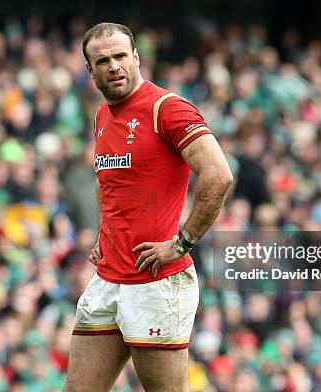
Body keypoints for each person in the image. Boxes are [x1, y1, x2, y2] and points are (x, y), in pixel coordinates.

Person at [64, 22, 233, 392]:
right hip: (109, 278)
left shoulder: (166, 108)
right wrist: (102, 234)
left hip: (156, 283)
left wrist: (182, 243)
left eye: (121, 55)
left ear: (136, 57)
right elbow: (106, 179)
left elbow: (218, 175)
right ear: (90, 71)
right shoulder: (102, 116)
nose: (114, 65)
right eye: (103, 60)